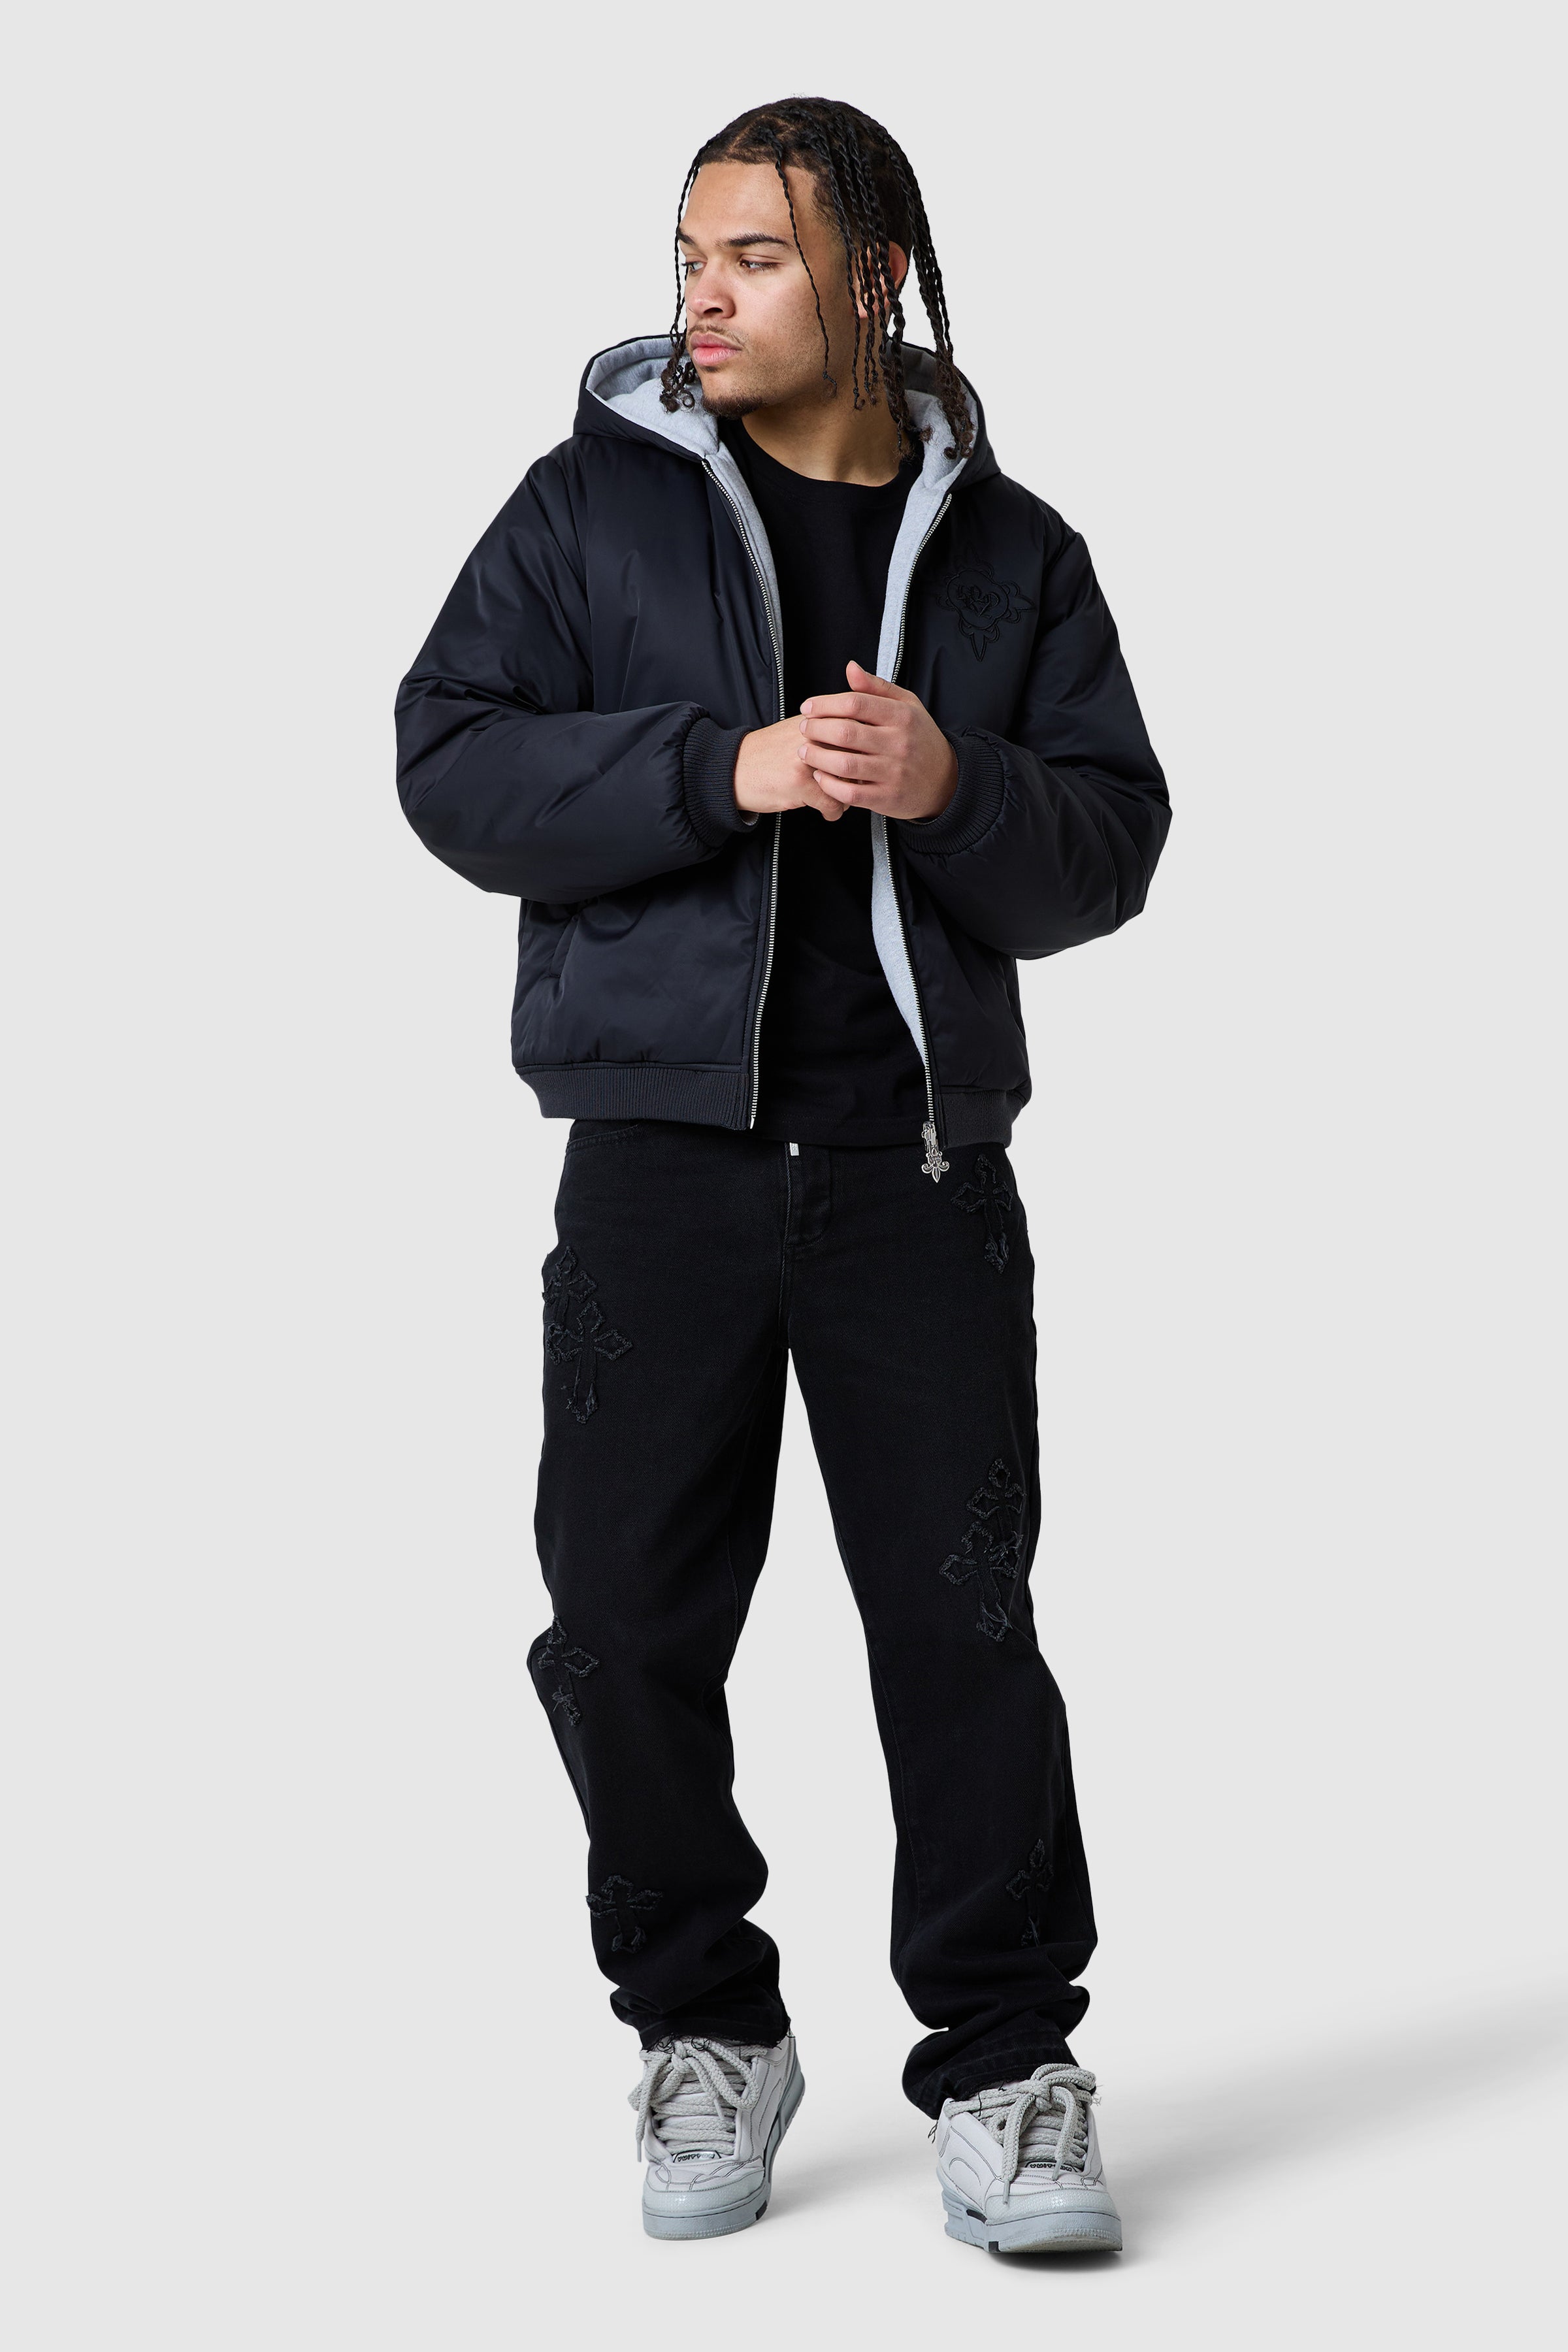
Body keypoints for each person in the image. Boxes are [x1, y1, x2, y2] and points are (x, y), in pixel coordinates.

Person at [395, 95, 1169, 2255]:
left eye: (751, 256)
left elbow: (1112, 845)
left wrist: (951, 781)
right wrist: (719, 769)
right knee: (619, 1628)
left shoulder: (1011, 556)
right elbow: (448, 760)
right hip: (662, 1158)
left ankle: (1006, 2065)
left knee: (963, 1628)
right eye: (689, 255)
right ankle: (703, 2024)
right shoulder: (588, 509)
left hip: (918, 1171)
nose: (703, 297)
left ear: (872, 275)